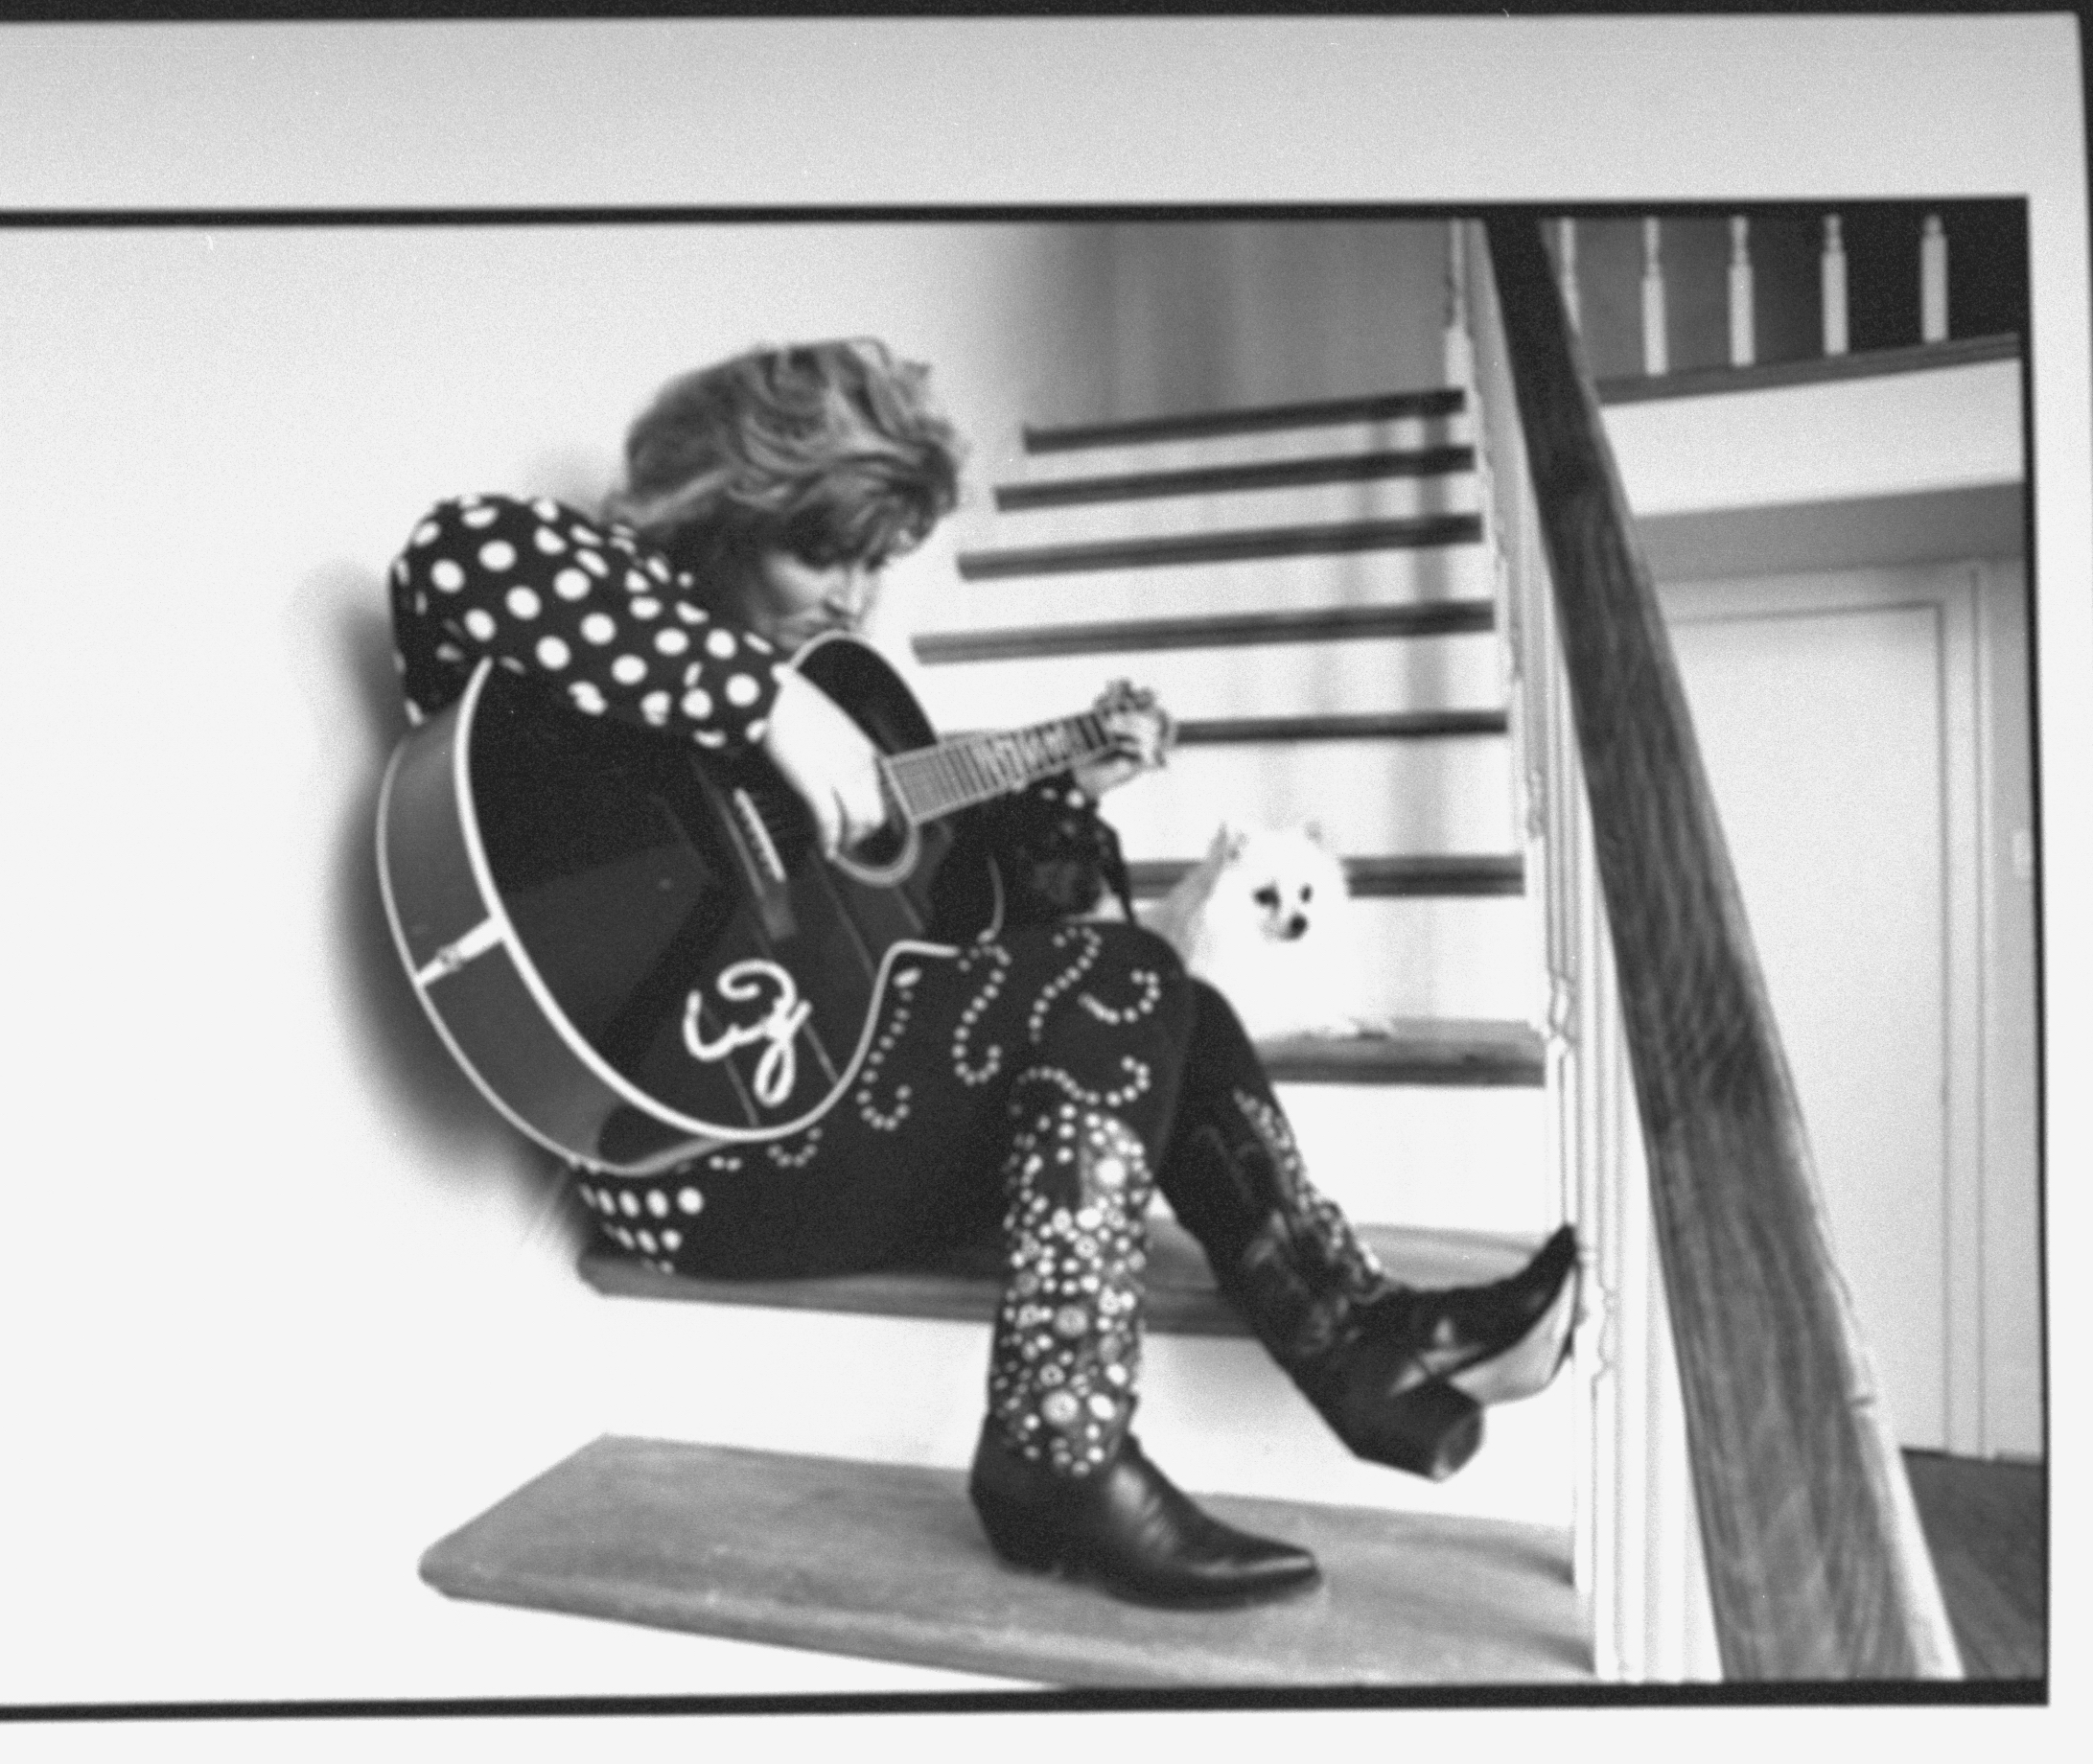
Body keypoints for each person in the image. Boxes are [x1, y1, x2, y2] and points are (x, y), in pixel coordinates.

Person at [389, 337, 1577, 1609]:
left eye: (873, 567)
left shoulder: (844, 706)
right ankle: (1057, 1446)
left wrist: (1062, 802)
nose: (849, 601)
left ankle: (1361, 1339)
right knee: (1117, 977)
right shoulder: (588, 623)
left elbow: (1032, 961)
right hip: (699, 1166)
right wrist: (767, 707)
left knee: (1173, 998)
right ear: (714, 515)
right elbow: (453, 557)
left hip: (854, 1116)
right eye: (819, 555)